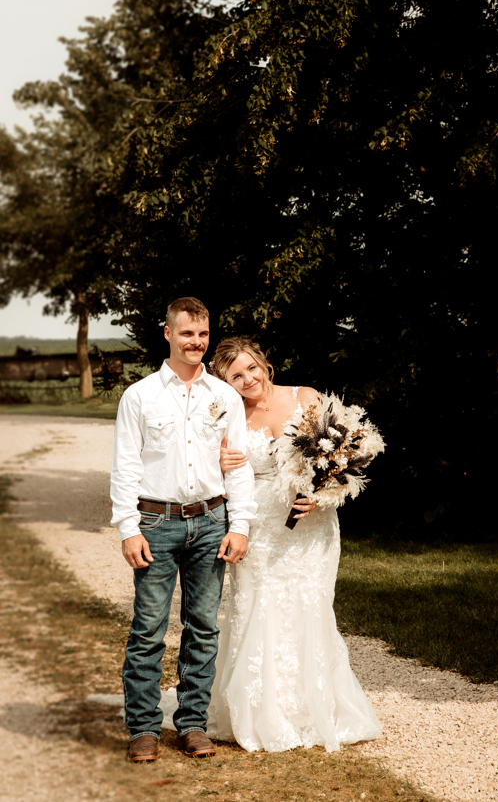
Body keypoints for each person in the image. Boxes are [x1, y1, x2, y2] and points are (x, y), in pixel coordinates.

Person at [206, 336, 381, 753]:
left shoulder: (305, 397)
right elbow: (209, 468)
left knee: (309, 604)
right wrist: (219, 461)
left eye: (252, 368)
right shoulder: (228, 415)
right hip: (257, 526)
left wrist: (323, 494)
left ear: (265, 364)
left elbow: (354, 450)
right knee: (256, 606)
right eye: (236, 376)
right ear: (226, 382)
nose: (247, 380)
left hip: (313, 528)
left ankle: (312, 708)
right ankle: (254, 711)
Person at [110, 298, 256, 763]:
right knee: (149, 628)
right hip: (157, 522)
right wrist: (128, 529)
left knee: (203, 629)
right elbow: (125, 467)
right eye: (187, 333)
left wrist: (242, 525)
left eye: (203, 334)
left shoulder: (225, 396)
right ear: (168, 333)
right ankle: (143, 728)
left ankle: (192, 724)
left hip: (213, 522)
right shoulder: (140, 395)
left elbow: (239, 466)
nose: (196, 342)